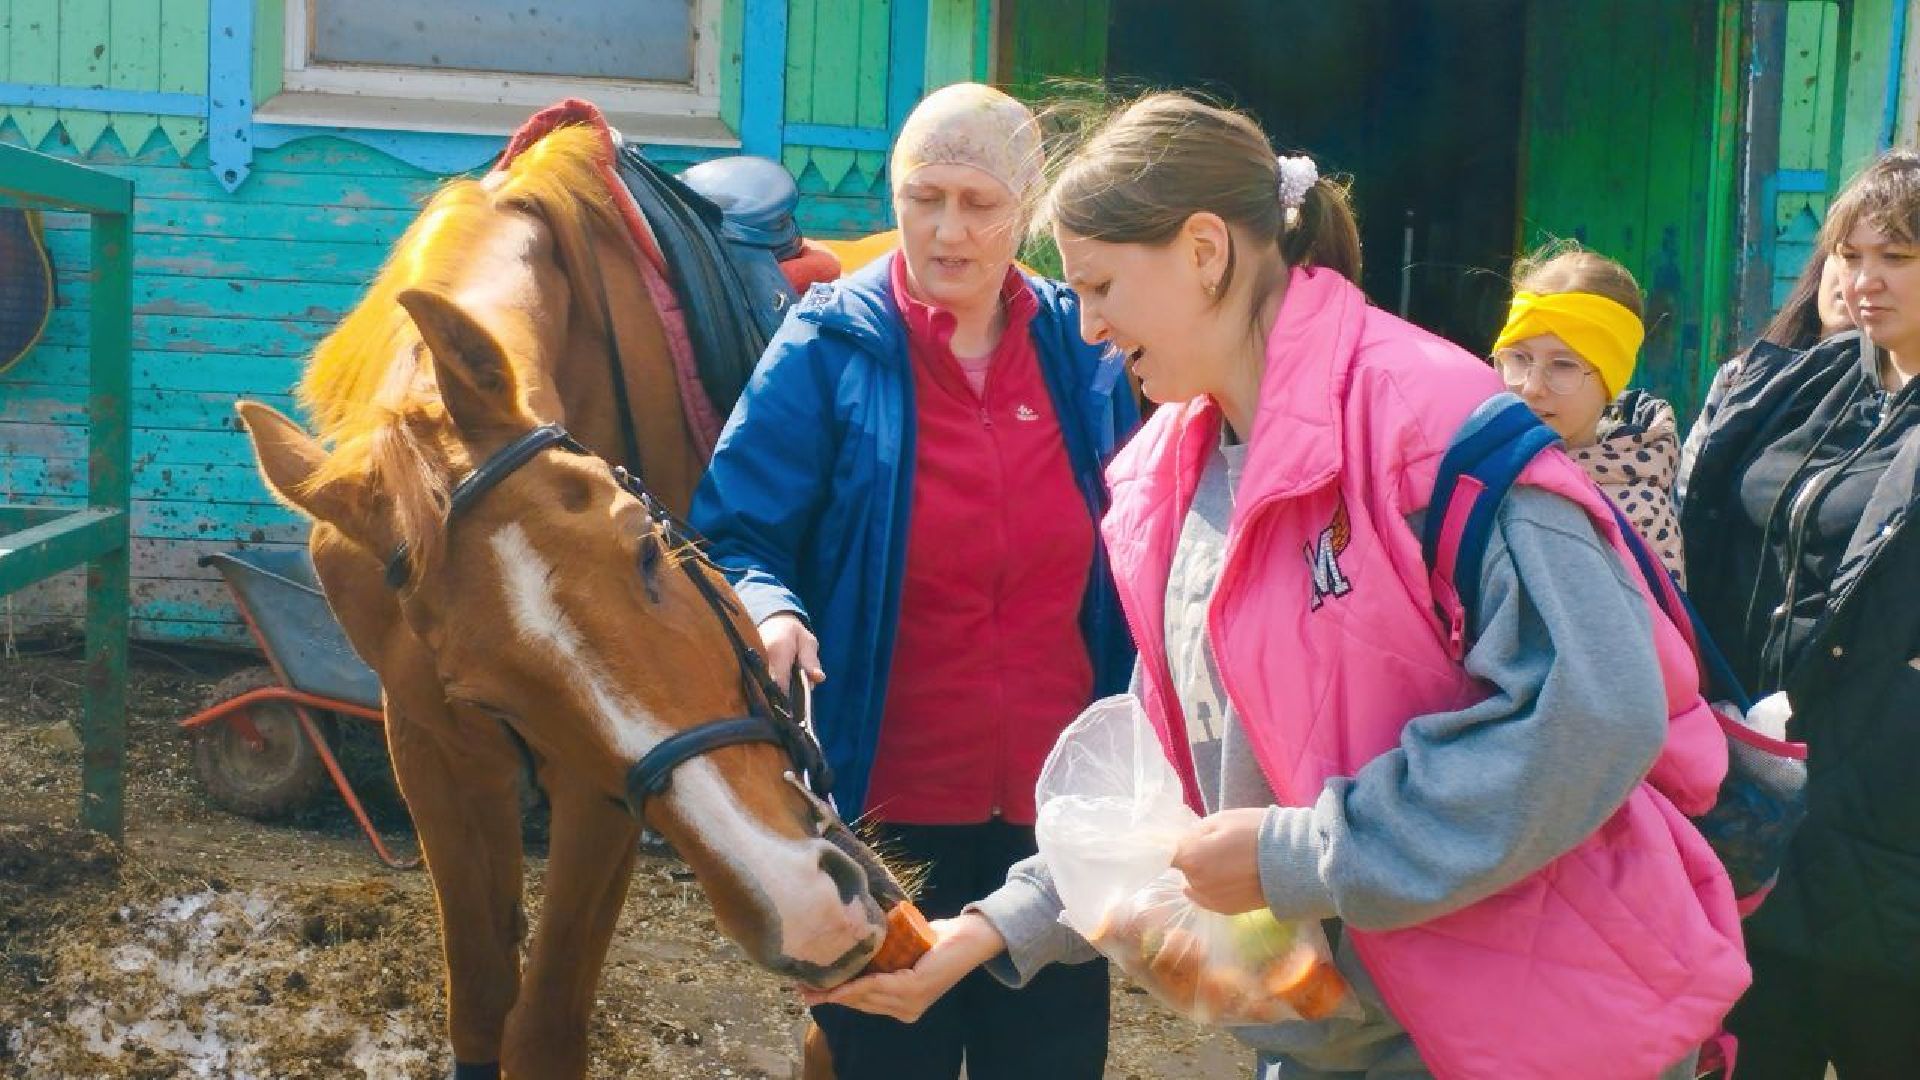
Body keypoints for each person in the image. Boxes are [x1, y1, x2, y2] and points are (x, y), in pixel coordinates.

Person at [806, 91, 1747, 1080]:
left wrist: (1305, 855)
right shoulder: (1174, 471)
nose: (1085, 328)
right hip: (1339, 1045)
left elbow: (1599, 707)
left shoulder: (1432, 423)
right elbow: (1171, 771)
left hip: (1546, 1030)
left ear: (1205, 253)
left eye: (1100, 287)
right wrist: (990, 932)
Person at [688, 82, 1138, 1080]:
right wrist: (770, 605)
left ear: (1027, 208)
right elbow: (734, 531)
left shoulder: (1080, 347)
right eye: (923, 196)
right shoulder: (829, 343)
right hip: (887, 805)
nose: (948, 230)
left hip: (1053, 816)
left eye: (979, 203)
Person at [1682, 148, 1920, 1079]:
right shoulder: (1820, 383)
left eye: (1896, 257)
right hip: (1764, 800)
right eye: (1850, 254)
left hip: (1890, 820)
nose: (1862, 281)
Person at [1493, 243, 1686, 580]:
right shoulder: (1476, 470)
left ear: (1610, 380)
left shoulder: (1637, 514)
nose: (1531, 386)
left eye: (1563, 365)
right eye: (1519, 358)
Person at [1680, 249, 1858, 498]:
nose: (1858, 278)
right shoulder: (1745, 377)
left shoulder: (1895, 400)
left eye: (1892, 257)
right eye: (1848, 255)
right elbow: (1688, 490)